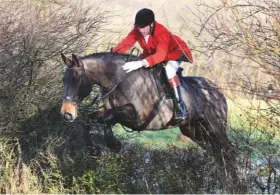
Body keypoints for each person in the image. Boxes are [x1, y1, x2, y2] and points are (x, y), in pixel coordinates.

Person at [112, 8, 193, 122]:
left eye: (144, 27)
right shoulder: (138, 29)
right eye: (139, 27)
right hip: (154, 53)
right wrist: (112, 54)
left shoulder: (161, 32)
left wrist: (140, 63)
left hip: (175, 52)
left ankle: (180, 107)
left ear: (151, 24)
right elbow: (126, 43)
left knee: (169, 70)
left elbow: (161, 55)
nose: (141, 30)